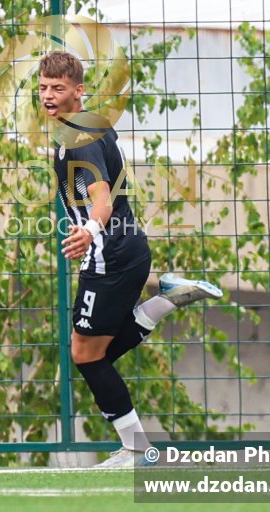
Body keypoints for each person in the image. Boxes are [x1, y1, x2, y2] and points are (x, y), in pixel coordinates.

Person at [37, 49, 223, 469]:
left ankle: (137, 449)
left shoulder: (78, 140)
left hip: (109, 257)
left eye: (58, 88)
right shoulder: (91, 125)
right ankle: (168, 299)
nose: (48, 95)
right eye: (43, 87)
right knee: (91, 351)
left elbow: (101, 197)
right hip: (130, 248)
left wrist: (89, 230)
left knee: (86, 355)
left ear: (78, 91)